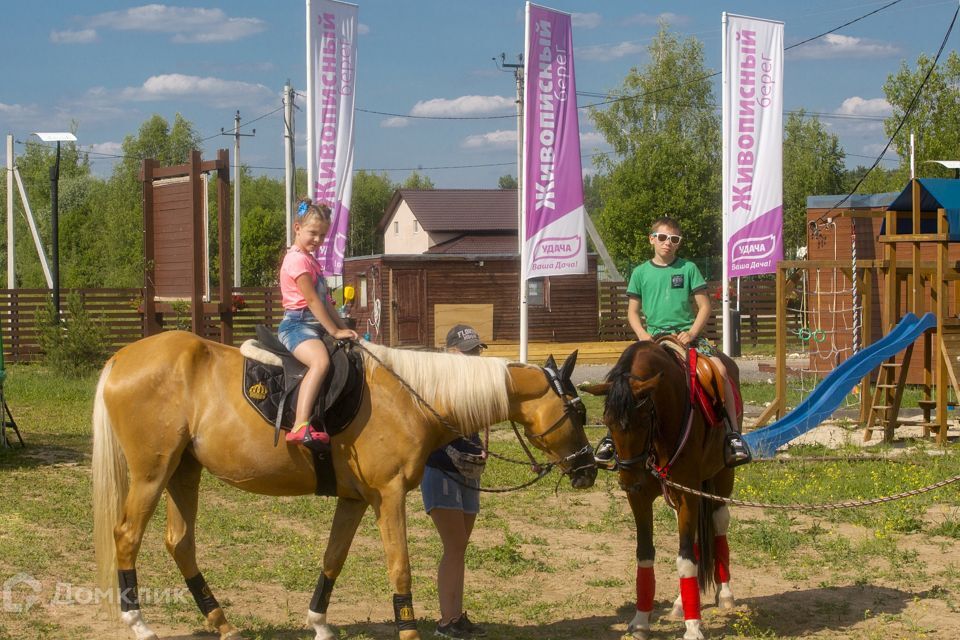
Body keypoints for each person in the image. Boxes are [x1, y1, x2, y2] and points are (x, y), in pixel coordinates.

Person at [594, 216, 750, 467]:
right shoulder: (640, 272)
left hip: (685, 338)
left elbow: (704, 306)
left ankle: (733, 435)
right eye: (663, 237)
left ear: (678, 243)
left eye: (674, 239)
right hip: (652, 338)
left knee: (720, 370)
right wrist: (643, 335)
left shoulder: (688, 268)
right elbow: (632, 312)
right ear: (652, 239)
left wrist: (691, 332)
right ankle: (611, 437)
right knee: (619, 382)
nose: (668, 243)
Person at [422, 324, 489, 639]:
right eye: (469, 351)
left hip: (468, 470)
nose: (474, 356)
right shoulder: (435, 386)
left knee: (459, 547)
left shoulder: (474, 385)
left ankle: (455, 616)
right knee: (454, 545)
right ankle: (447, 621)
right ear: (449, 352)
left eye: (477, 350)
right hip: (441, 470)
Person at [278, 198, 358, 448]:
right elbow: (312, 300)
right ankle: (300, 424)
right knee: (320, 361)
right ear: (297, 228)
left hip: (314, 324)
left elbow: (327, 303)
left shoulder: (311, 260)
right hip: (296, 326)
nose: (317, 240)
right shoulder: (296, 260)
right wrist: (334, 330)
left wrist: (343, 328)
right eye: (313, 233)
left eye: (322, 236)